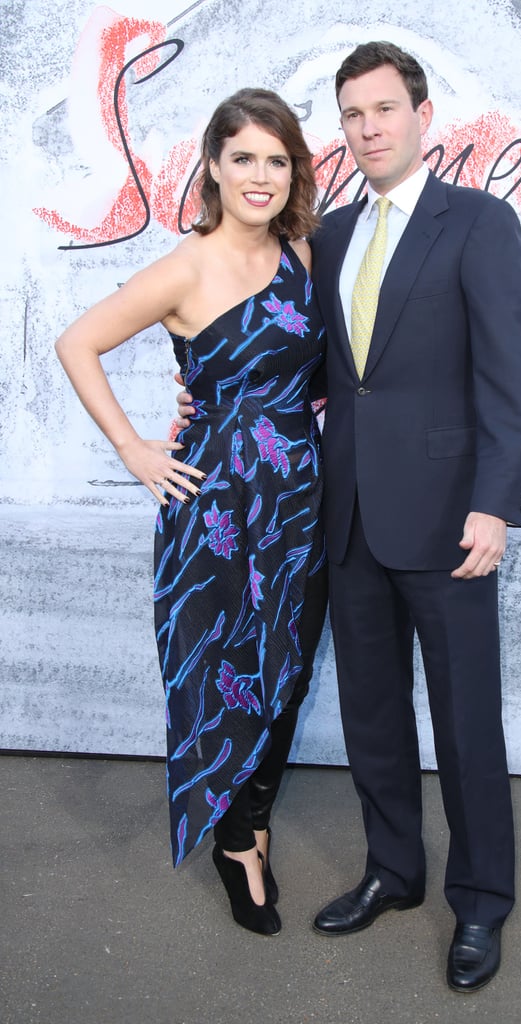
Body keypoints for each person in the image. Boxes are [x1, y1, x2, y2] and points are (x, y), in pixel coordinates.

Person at [178, 41, 521, 990]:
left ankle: (481, 903)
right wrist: (199, 401)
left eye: (384, 109)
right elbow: (287, 360)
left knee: (467, 724)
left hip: (449, 522)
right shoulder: (327, 235)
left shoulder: (480, 223)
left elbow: (511, 376)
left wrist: (495, 506)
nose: (369, 127)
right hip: (341, 518)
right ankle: (394, 871)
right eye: (352, 115)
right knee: (373, 715)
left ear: (422, 116)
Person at [55, 88, 328, 938]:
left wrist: (305, 408)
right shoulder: (185, 265)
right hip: (211, 500)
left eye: (276, 159)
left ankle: (248, 818)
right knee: (220, 664)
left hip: (297, 495)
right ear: (212, 165)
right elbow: (78, 341)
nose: (259, 175)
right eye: (242, 157)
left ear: (294, 172)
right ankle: (238, 840)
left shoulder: (303, 254)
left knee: (287, 664)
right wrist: (138, 450)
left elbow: (304, 367)